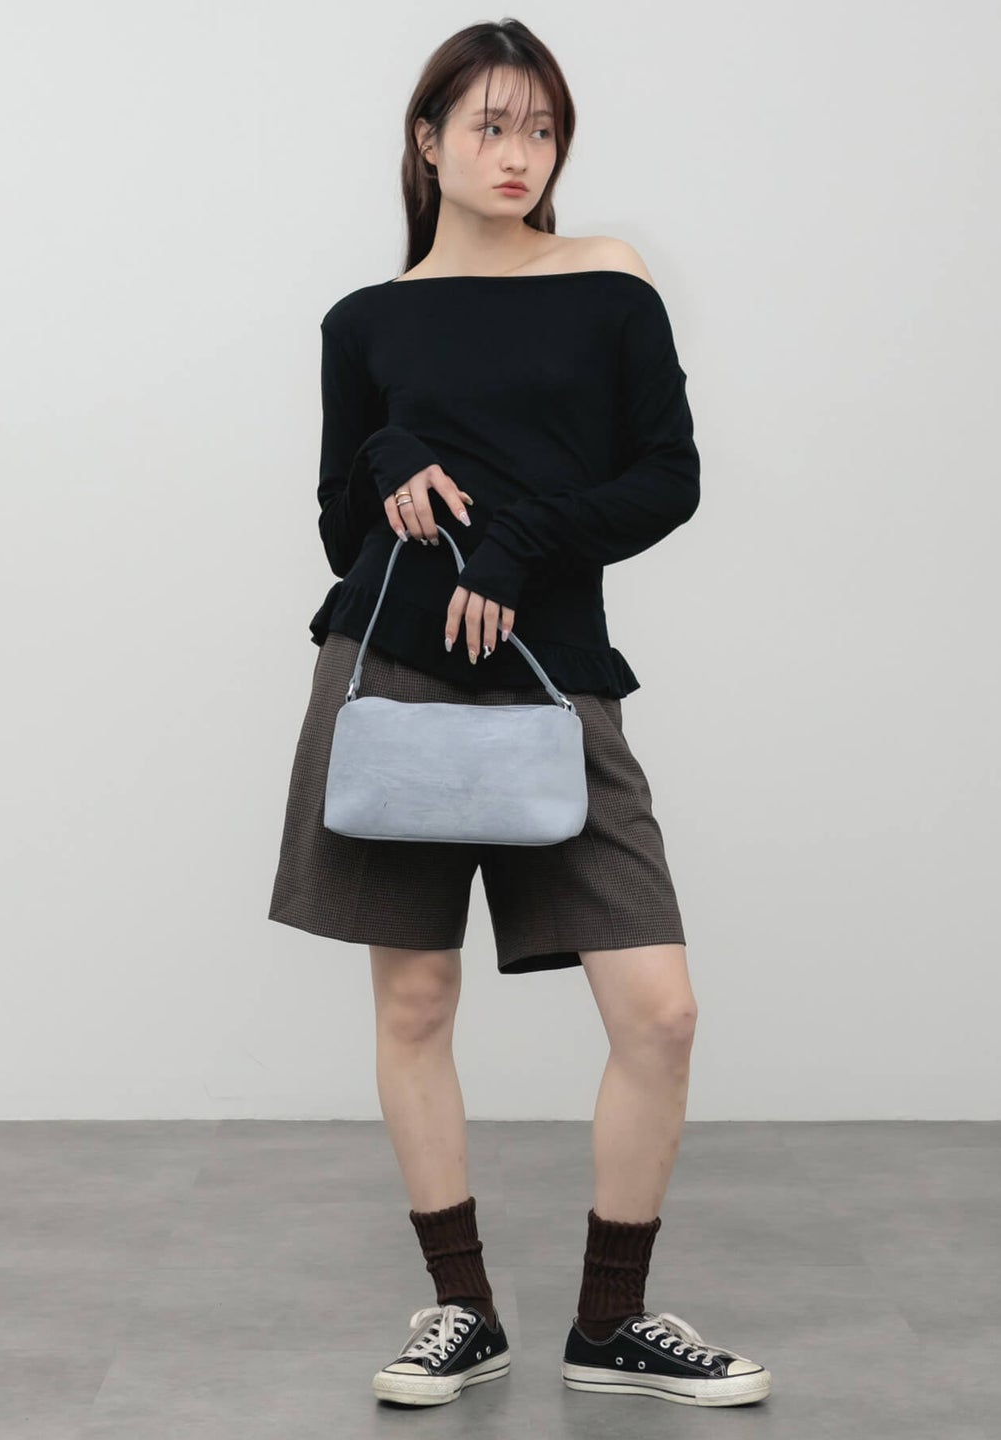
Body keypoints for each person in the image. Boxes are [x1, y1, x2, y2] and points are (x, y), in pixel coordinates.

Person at [267, 18, 772, 1410]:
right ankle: (462, 1312)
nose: (520, 153)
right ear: (428, 139)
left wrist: (518, 547)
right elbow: (341, 533)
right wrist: (389, 451)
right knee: (418, 998)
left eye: (541, 129)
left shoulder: (608, 281)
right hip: (394, 675)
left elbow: (666, 477)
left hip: (556, 676)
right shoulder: (364, 323)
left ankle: (613, 1323)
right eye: (491, 125)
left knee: (659, 1012)